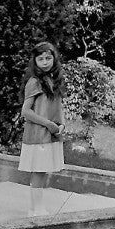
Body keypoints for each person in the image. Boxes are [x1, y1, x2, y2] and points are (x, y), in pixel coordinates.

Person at [18, 40, 66, 216]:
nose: (45, 62)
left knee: (43, 170)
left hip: (51, 133)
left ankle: (36, 207)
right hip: (38, 134)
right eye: (41, 59)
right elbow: (25, 111)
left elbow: (57, 107)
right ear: (35, 61)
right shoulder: (34, 82)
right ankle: (35, 209)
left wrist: (61, 124)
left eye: (48, 58)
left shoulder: (54, 80)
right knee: (38, 171)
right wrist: (47, 124)